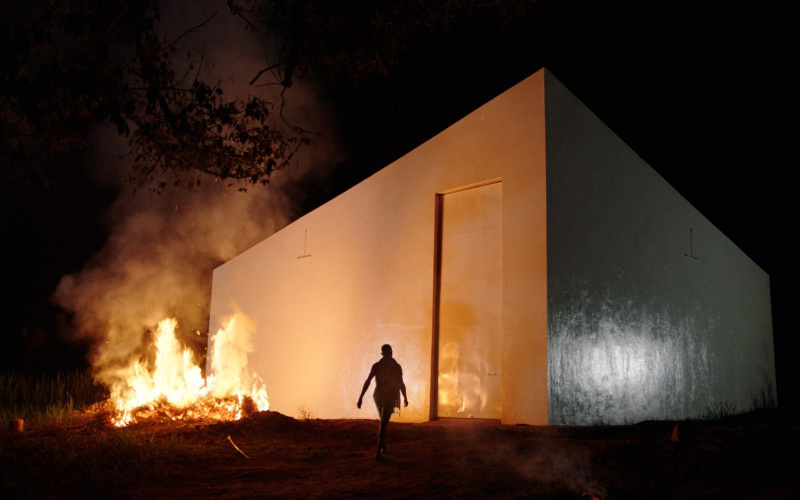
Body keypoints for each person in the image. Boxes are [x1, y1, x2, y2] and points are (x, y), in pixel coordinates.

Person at [357, 344, 408, 461]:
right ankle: (378, 453)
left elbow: (368, 381)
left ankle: (383, 447)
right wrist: (405, 397)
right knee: (384, 423)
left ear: (382, 354)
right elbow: (401, 384)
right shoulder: (396, 367)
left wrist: (361, 398)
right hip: (389, 397)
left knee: (383, 421)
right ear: (390, 353)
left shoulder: (378, 366)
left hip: (378, 396)